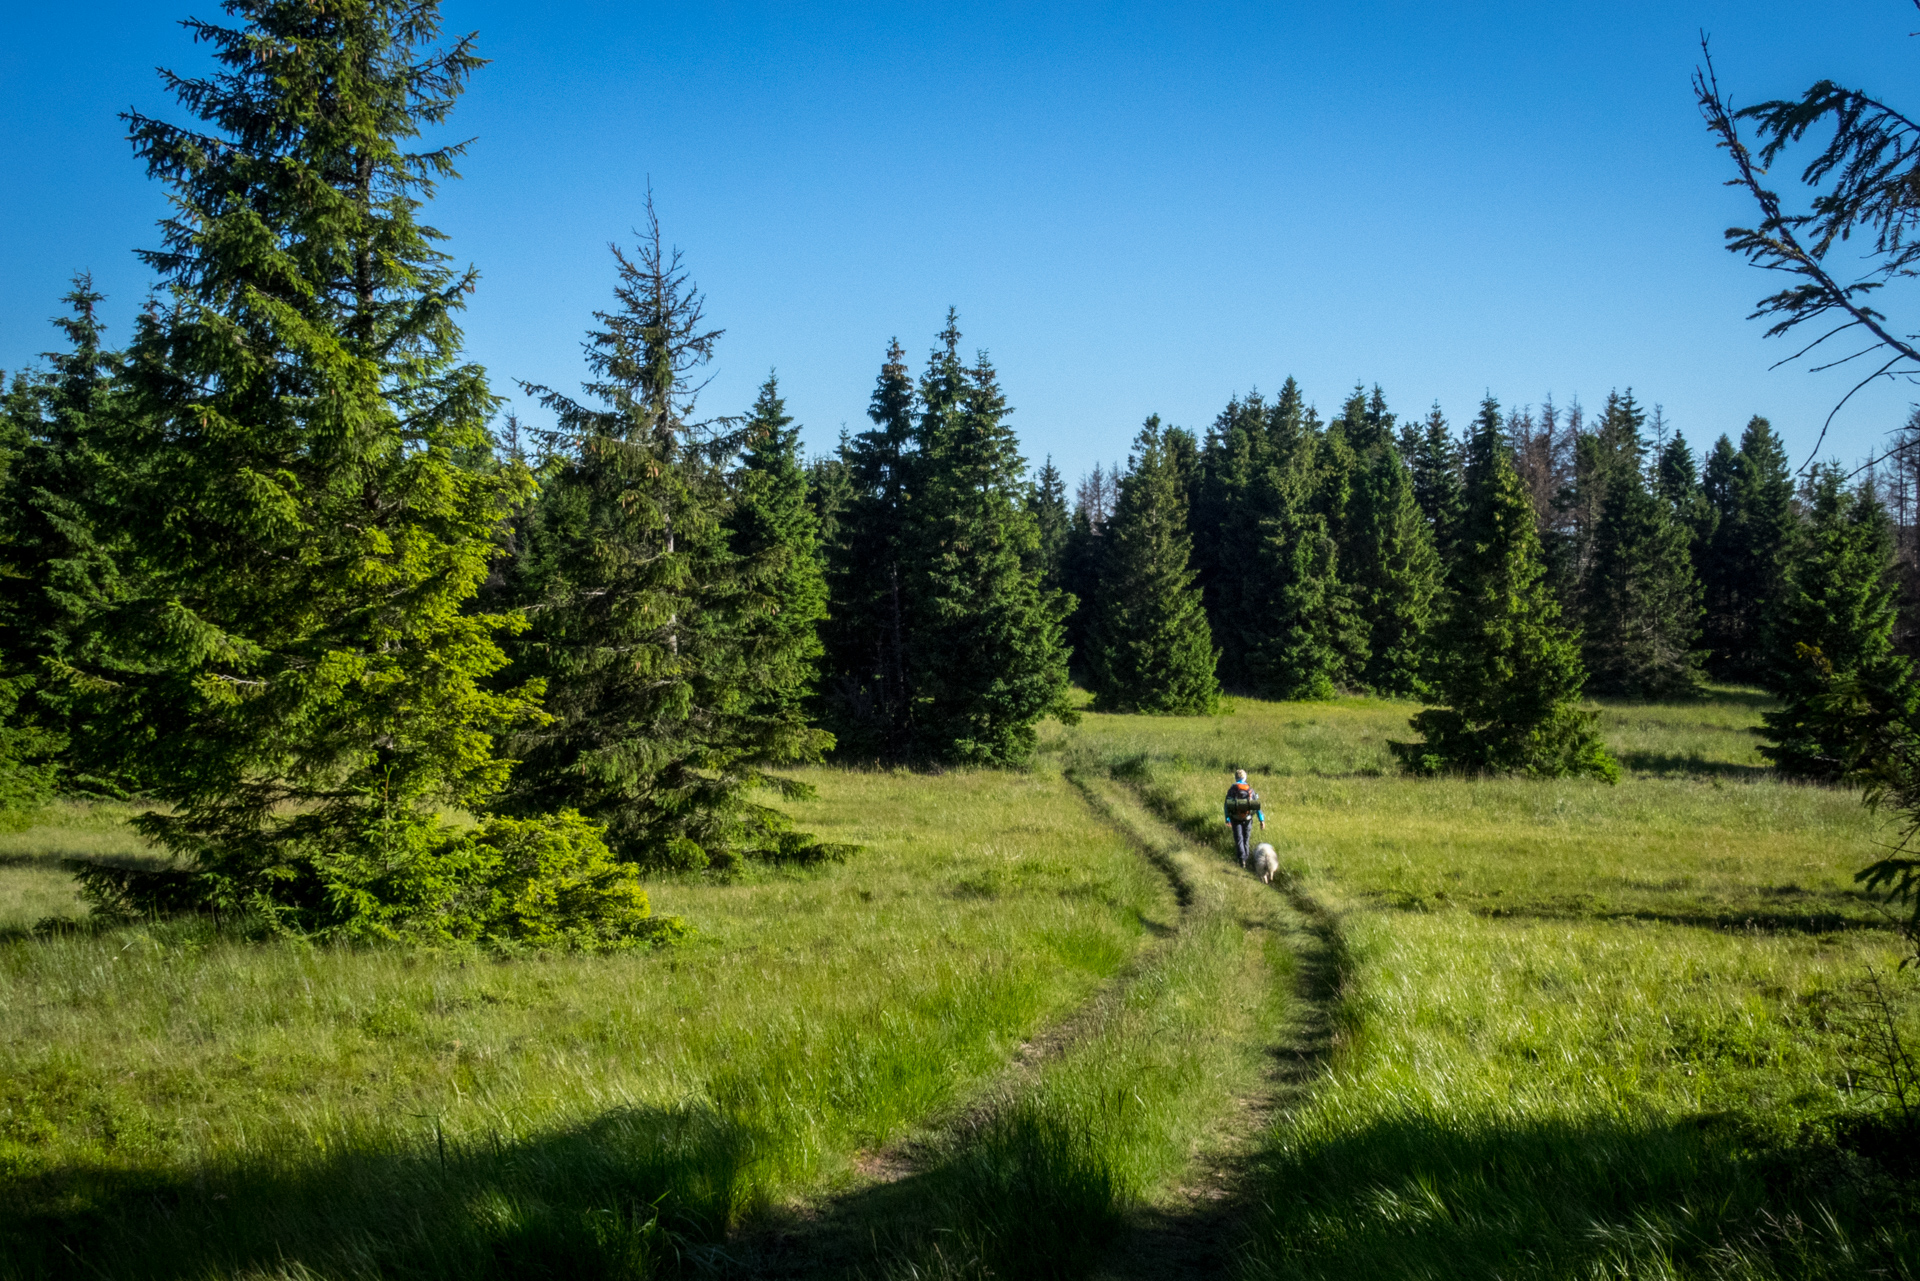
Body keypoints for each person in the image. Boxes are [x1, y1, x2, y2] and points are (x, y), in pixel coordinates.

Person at [1223, 769, 1264, 867]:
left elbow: (1226, 805)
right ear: (1245, 777)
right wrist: (1261, 820)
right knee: (1246, 839)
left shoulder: (1232, 789)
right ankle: (1246, 858)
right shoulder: (1250, 789)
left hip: (1235, 818)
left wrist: (1227, 819)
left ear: (1235, 777)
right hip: (1248, 818)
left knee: (1239, 839)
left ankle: (1242, 859)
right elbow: (1256, 806)